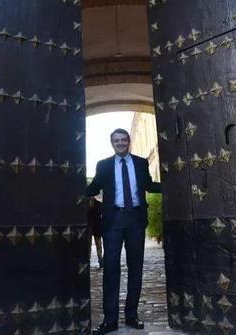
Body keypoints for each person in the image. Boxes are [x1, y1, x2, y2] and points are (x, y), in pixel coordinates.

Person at [86, 128, 161, 334]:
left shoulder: (140, 162)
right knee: (111, 269)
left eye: (124, 139)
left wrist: (172, 183)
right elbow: (93, 188)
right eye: (116, 140)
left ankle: (131, 315)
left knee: (136, 268)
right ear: (112, 143)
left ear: (129, 142)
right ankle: (110, 320)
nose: (120, 143)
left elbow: (149, 185)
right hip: (113, 221)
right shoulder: (103, 166)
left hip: (136, 220)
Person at [87, 194, 104, 267]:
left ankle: (100, 260)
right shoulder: (85, 204)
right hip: (90, 226)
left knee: (98, 244)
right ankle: (88, 260)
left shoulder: (98, 204)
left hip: (96, 226)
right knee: (88, 245)